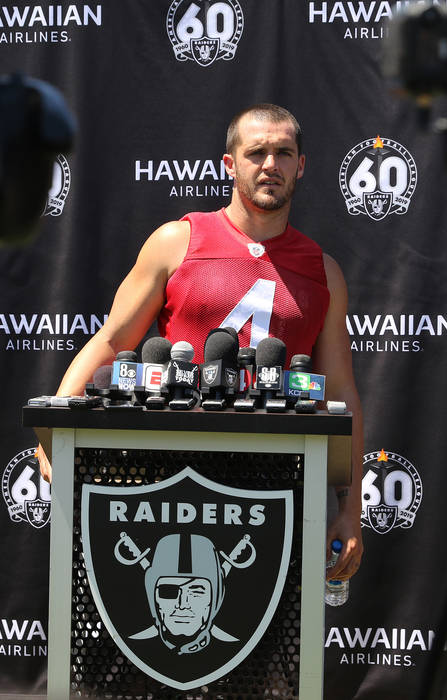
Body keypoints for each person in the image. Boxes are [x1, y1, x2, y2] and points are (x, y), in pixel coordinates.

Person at [36, 103, 364, 582]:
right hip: (169, 484)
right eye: (256, 153)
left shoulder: (323, 271)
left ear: (301, 165)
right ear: (229, 164)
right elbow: (111, 341)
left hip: (280, 492)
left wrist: (350, 507)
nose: (270, 164)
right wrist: (55, 433)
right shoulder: (177, 241)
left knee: (275, 646)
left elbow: (342, 395)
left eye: (283, 152)